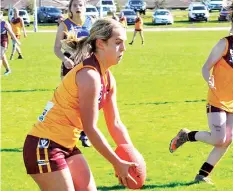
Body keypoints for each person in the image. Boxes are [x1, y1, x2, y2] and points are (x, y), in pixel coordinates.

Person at [23, 18, 138, 191]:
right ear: (101, 43)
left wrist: (132, 156)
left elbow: (115, 124)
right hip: (44, 145)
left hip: (66, 145)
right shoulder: (89, 76)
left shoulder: (107, 78)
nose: (124, 48)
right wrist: (116, 162)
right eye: (118, 42)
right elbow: (90, 129)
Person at [169, 0, 233, 184]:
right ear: (232, 25)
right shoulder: (224, 44)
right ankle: (187, 135)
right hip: (217, 99)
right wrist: (208, 77)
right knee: (218, 138)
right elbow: (205, 67)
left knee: (227, 140)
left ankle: (203, 175)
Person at [54, 0, 95, 147]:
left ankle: (85, 134)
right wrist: (65, 59)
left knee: (86, 100)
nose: (78, 7)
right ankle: (66, 132)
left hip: (87, 65)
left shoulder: (91, 22)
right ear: (70, 8)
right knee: (69, 100)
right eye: (75, 5)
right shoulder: (65, 24)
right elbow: (57, 48)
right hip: (70, 66)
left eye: (81, 5)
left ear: (85, 7)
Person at [0, 11, 21, 75]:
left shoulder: (4, 23)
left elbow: (11, 33)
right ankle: (8, 70)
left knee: (0, 56)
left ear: (1, 15)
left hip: (3, 42)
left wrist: (17, 41)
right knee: (2, 56)